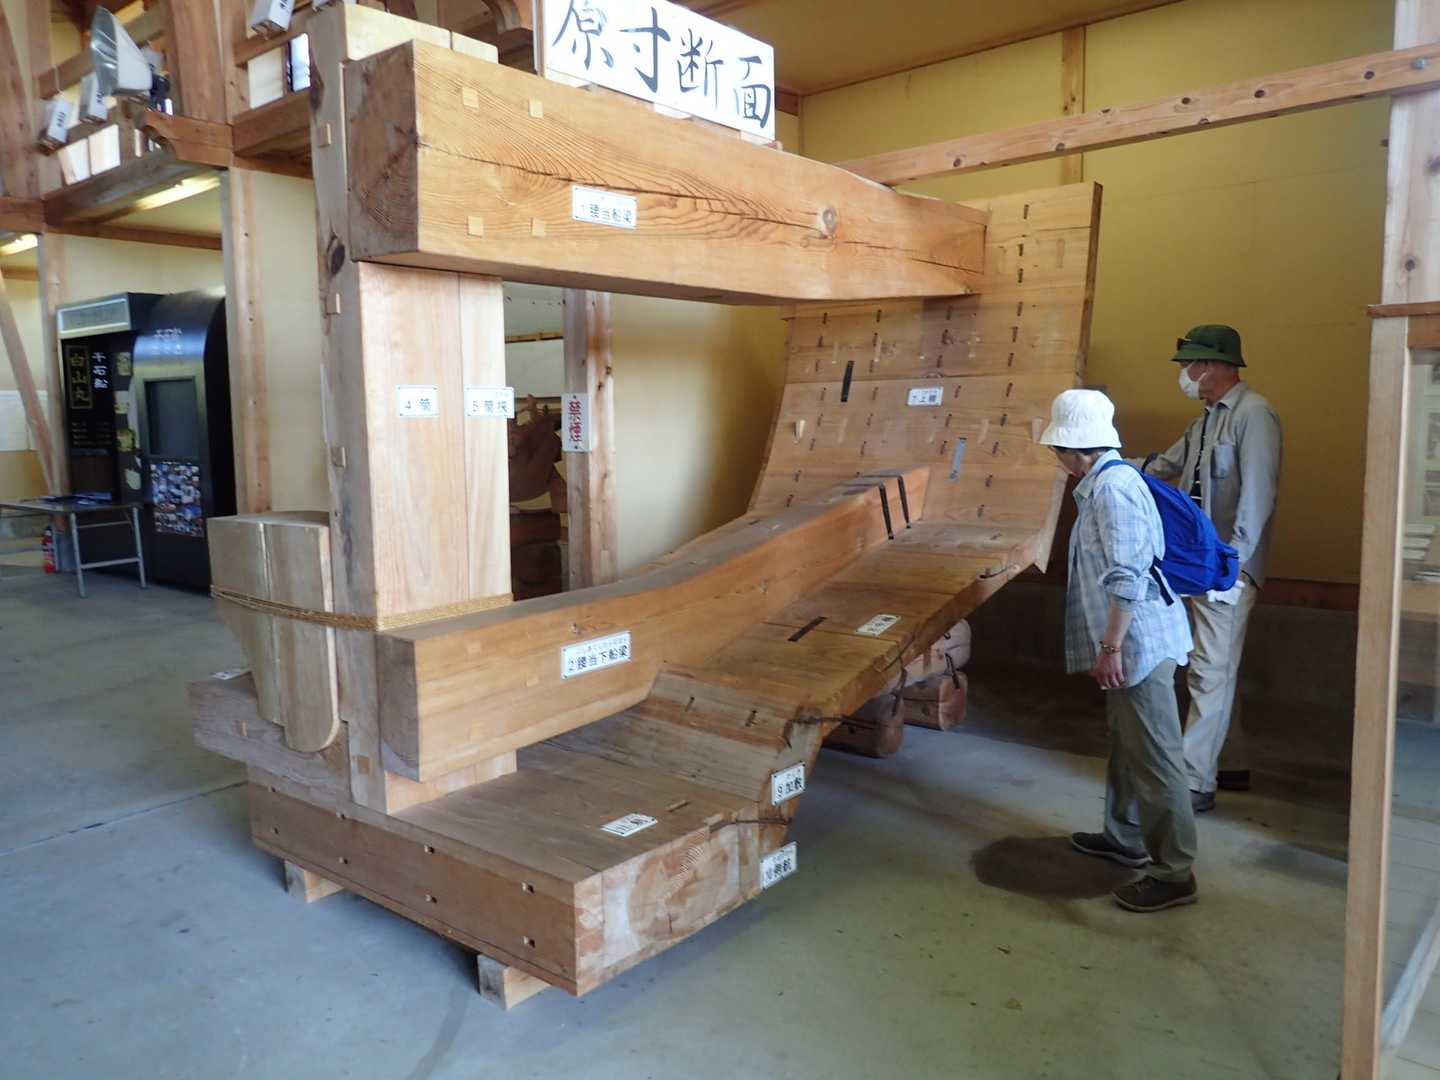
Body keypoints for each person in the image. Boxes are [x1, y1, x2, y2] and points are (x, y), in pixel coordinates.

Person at [1040, 389, 1199, 913]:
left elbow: (1129, 578)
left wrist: (1111, 647)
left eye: (1056, 449)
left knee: (1155, 758)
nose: (1056, 459)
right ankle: (1125, 837)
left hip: (1139, 644)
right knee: (1128, 745)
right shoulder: (1101, 484)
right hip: (1129, 641)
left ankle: (1174, 873)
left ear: (1073, 448)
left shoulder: (1113, 490)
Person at [1136, 325, 1282, 814]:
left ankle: (1194, 780)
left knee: (1208, 672)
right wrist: (1106, 462)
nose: (1184, 374)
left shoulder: (1254, 415)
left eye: (1189, 365)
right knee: (1216, 669)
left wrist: (1233, 568)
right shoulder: (1203, 423)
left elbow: (1257, 498)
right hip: (1201, 564)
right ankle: (1231, 762)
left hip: (1227, 570)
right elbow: (1163, 466)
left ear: (1214, 365)